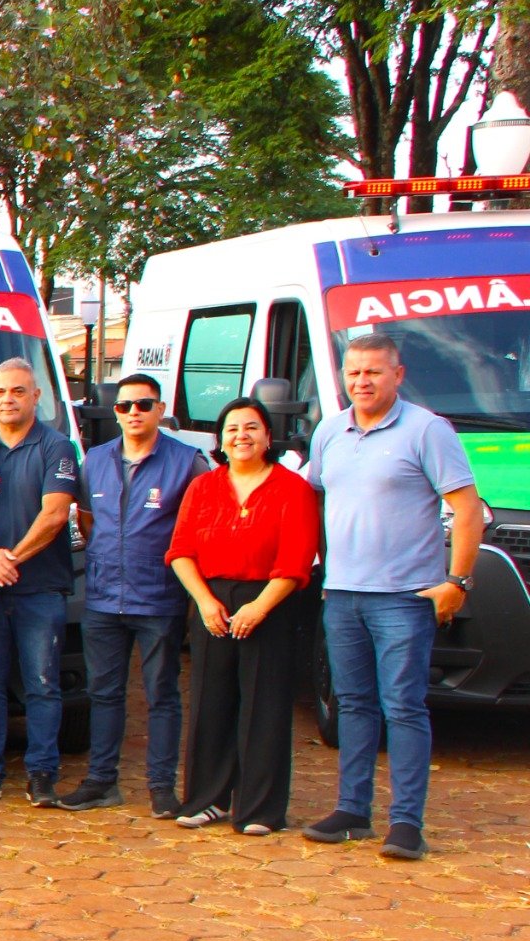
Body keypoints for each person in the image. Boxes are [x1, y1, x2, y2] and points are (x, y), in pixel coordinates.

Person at [303, 333, 481, 860]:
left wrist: (458, 581)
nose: (362, 381)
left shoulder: (427, 430)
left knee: (403, 707)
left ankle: (407, 824)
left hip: (404, 596)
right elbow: (316, 499)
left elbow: (467, 509)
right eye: (354, 372)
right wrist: (320, 568)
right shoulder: (330, 431)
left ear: (397, 375)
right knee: (353, 704)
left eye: (374, 372)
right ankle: (353, 811)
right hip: (343, 594)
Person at [167, 398, 320, 835]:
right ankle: (206, 799)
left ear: (268, 437)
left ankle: (260, 809)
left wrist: (259, 607)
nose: (242, 436)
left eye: (252, 427)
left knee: (264, 705)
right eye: (233, 429)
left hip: (269, 598)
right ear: (221, 439)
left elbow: (296, 560)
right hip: (211, 600)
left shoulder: (292, 488)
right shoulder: (204, 487)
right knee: (210, 703)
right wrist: (204, 601)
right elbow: (180, 552)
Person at [68, 373, 206, 814]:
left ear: (160, 409)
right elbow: (88, 520)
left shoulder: (188, 462)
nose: (132, 413)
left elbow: (197, 529)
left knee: (161, 693)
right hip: (105, 595)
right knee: (104, 692)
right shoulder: (96, 459)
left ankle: (161, 788)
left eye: (143, 405)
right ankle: (101, 781)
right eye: (124, 406)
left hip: (159, 596)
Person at [0, 358, 81, 806]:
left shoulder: (57, 446)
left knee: (42, 683)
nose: (8, 399)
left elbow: (55, 515)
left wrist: (8, 561)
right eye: (1, 392)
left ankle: (42, 774)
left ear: (36, 396)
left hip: (40, 590)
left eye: (18, 391)